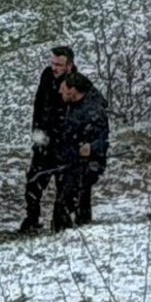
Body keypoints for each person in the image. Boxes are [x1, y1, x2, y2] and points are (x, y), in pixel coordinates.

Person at [21, 46, 75, 232]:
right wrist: (36, 131)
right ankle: (32, 220)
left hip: (63, 143)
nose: (54, 68)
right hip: (43, 140)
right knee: (33, 183)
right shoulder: (47, 76)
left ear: (69, 66)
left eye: (59, 64)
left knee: (64, 187)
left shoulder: (75, 82)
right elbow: (38, 103)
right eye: (52, 63)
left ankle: (60, 224)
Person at [52, 72, 109, 232]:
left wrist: (90, 148)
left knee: (70, 204)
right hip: (71, 163)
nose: (60, 92)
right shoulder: (75, 105)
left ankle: (75, 235)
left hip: (84, 167)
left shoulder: (93, 111)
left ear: (73, 90)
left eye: (63, 89)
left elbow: (102, 141)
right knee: (68, 204)